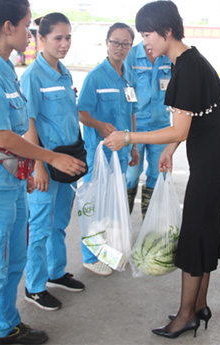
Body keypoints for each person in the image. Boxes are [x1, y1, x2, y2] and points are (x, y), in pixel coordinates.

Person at [104, 0, 220, 339]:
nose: (144, 42)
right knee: (205, 231)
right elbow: (190, 123)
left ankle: (185, 316)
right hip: (217, 162)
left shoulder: (186, 68)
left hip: (211, 167)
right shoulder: (189, 62)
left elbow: (179, 128)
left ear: (166, 32)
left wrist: (129, 136)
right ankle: (200, 304)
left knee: (194, 237)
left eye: (148, 34)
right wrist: (171, 149)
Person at [0, 0, 85, 345]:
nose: (31, 34)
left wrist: (27, 170)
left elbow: (16, 132)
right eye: (28, 27)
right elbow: (3, 137)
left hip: (9, 182)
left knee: (13, 262)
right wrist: (49, 159)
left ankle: (7, 326)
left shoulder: (5, 70)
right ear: (7, 27)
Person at [20, 13, 85, 312]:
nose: (64, 43)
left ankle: (56, 272)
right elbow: (28, 124)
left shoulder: (64, 72)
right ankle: (34, 287)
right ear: (40, 39)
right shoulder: (33, 76)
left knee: (59, 222)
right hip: (46, 163)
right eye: (58, 38)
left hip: (67, 160)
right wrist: (38, 165)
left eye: (68, 37)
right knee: (40, 226)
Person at [77, 22, 140, 276]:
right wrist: (99, 124)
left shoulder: (129, 76)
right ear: (106, 43)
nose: (120, 48)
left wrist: (133, 146)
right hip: (100, 155)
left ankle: (107, 250)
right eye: (115, 42)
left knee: (113, 206)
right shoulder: (95, 77)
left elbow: (132, 112)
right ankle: (89, 257)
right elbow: (82, 112)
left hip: (122, 155)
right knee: (95, 207)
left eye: (125, 44)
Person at [124, 42, 172, 218]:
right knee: (131, 174)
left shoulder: (167, 56)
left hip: (162, 126)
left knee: (158, 175)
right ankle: (122, 223)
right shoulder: (132, 55)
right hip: (136, 125)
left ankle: (149, 227)